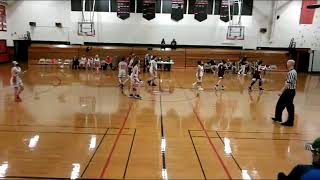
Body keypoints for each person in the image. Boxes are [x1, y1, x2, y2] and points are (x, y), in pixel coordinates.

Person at [272, 59, 297, 127]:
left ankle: (290, 122)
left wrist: (281, 91)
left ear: (289, 64)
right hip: (288, 91)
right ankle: (278, 118)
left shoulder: (292, 72)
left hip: (289, 91)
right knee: (280, 104)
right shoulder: (291, 71)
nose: (286, 64)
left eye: (287, 63)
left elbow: (288, 84)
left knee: (289, 107)